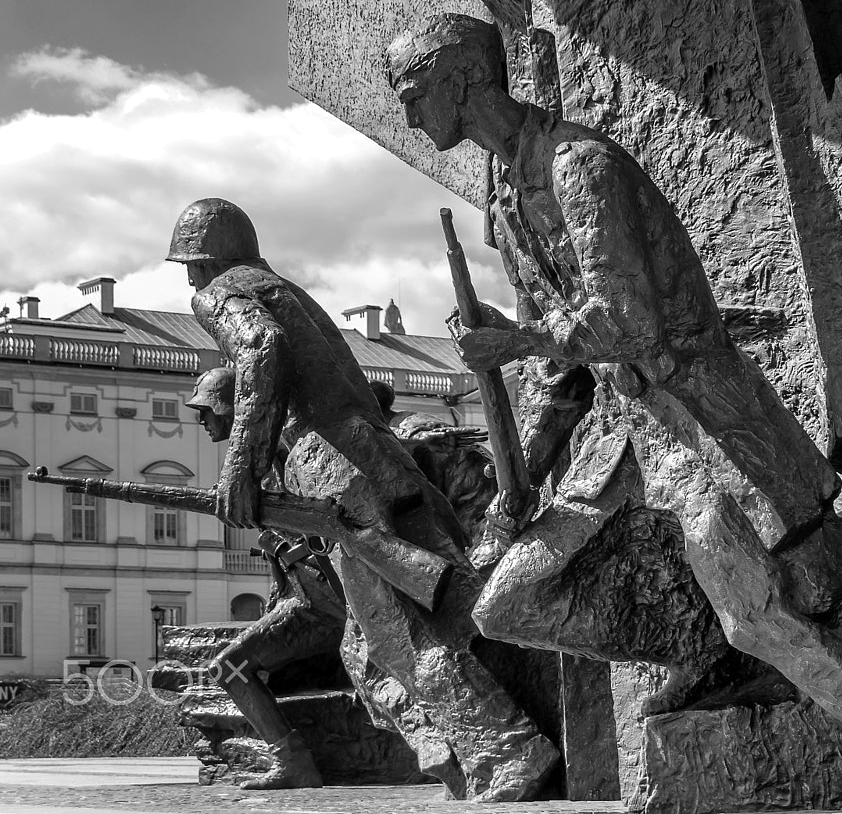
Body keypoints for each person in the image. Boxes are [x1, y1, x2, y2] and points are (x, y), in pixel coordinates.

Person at [386, 2, 842, 812]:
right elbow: (568, 378)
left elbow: (628, 321)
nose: (407, 112)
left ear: (464, 76)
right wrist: (518, 485)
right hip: (621, 441)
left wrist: (517, 342)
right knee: (508, 602)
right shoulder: (504, 206)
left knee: (755, 610)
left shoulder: (582, 165)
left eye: (413, 90)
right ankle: (706, 648)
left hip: (698, 421)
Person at [167, 198, 559, 801]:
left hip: (339, 477)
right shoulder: (286, 289)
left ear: (198, 264)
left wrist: (240, 470)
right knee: (370, 644)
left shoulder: (224, 290)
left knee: (396, 636)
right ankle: (457, 759)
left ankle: (509, 748)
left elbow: (260, 349)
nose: (191, 282)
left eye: (189, 268)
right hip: (381, 465)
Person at [186, 367, 344, 790]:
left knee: (229, 667)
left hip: (325, 604)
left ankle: (293, 763)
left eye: (207, 410)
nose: (201, 421)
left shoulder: (289, 457)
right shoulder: (270, 464)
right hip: (309, 599)